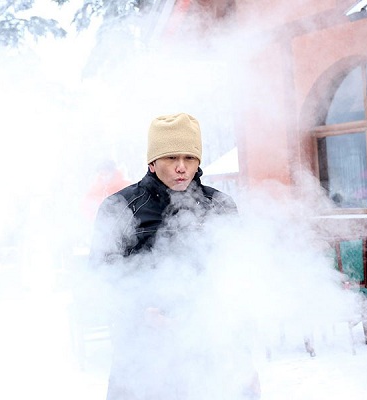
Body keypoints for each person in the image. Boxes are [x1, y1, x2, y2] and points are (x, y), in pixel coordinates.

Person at [89, 113, 260, 400]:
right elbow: (101, 280)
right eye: (170, 157)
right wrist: (142, 312)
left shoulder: (219, 206)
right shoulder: (119, 207)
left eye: (189, 158)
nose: (182, 167)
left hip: (210, 349)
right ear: (152, 162)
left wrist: (244, 366)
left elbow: (237, 277)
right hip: (144, 357)